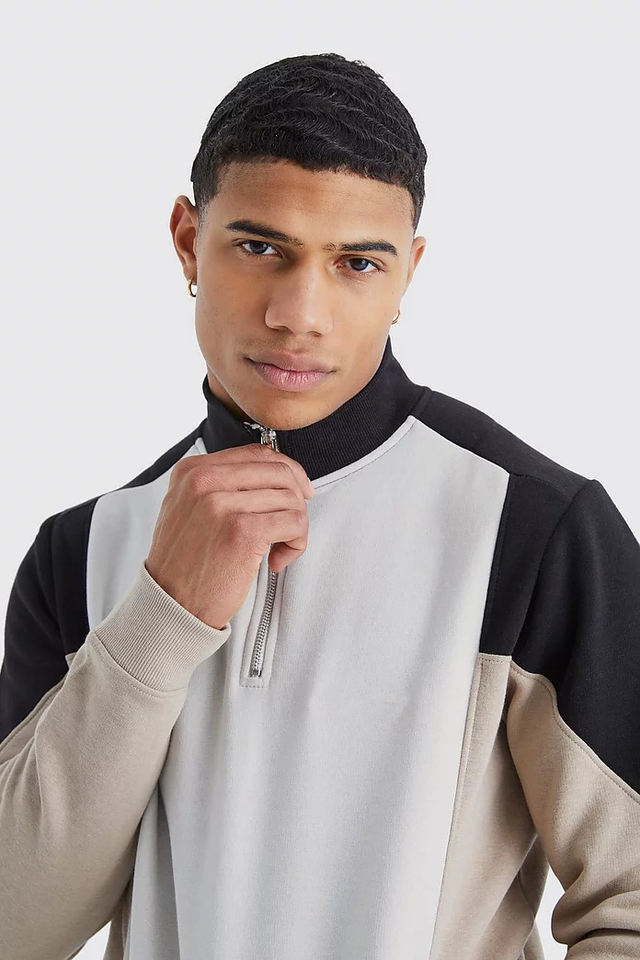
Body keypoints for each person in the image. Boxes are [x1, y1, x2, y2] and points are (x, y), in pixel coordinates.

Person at [0, 51, 638, 960]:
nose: (299, 314)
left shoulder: (534, 529)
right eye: (260, 247)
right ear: (187, 240)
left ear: (408, 273)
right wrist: (161, 620)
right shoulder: (81, 551)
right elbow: (16, 925)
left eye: (357, 263)